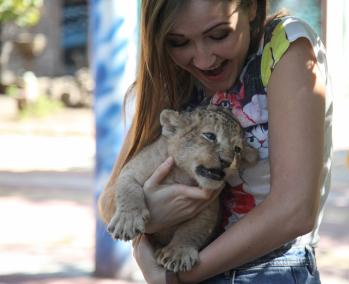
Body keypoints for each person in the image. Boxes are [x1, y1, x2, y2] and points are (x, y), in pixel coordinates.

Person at [98, 0, 332, 283]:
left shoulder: (286, 47)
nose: (203, 60)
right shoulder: (172, 74)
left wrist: (178, 277)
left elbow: (295, 211)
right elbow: (110, 204)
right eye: (178, 42)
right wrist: (153, 217)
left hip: (267, 269)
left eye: (219, 35)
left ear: (252, 8)